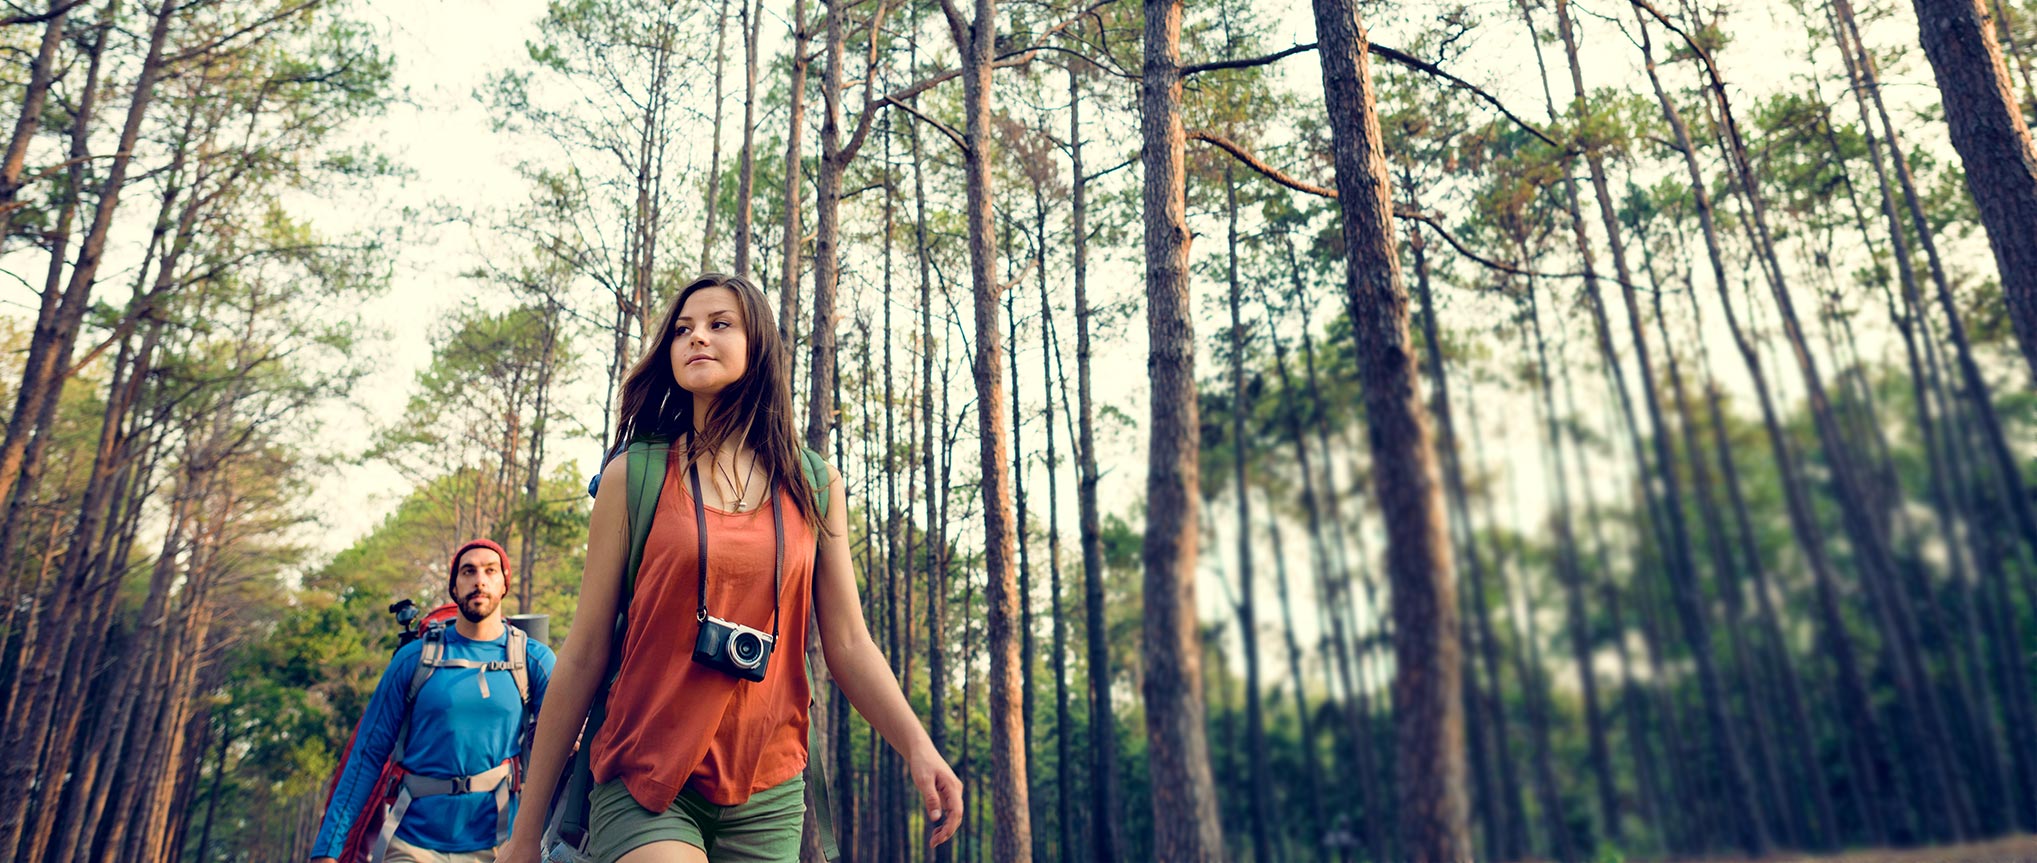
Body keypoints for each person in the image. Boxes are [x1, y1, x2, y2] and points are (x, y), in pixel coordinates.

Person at [498, 273, 961, 863]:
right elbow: (585, 652)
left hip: (767, 788)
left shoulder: (814, 483)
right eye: (683, 330)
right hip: (645, 775)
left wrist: (920, 748)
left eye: (720, 325)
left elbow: (847, 642)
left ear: (757, 346)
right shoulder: (633, 477)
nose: (697, 338)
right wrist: (524, 832)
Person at [313, 540, 557, 863]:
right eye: (468, 571)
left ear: (504, 583)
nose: (479, 580)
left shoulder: (532, 659)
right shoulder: (413, 660)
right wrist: (327, 850)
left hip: (499, 846)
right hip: (411, 846)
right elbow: (367, 756)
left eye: (490, 571)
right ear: (454, 587)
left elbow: (567, 742)